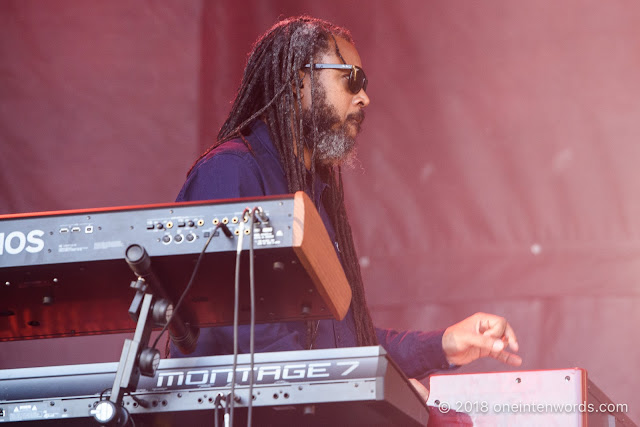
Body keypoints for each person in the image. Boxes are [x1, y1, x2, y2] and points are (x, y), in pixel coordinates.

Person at [171, 16, 521, 396]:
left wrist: (443, 344)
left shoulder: (314, 198)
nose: (364, 97)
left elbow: (348, 347)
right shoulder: (230, 171)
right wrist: (370, 388)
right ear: (298, 81)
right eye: (351, 78)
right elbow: (242, 328)